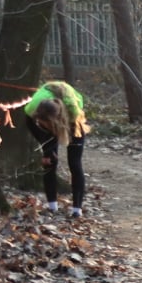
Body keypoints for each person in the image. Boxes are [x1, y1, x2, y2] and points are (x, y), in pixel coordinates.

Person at [22, 81, 89, 219]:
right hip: (49, 113)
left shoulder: (73, 111)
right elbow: (30, 124)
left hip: (72, 120)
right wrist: (47, 150)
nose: (44, 126)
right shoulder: (32, 108)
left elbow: (72, 126)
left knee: (75, 163)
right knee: (49, 162)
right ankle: (52, 206)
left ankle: (77, 208)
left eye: (46, 124)